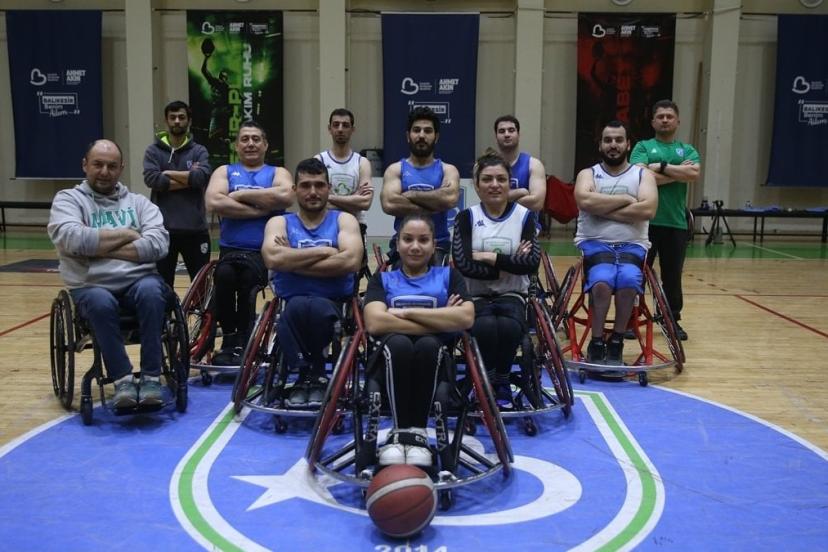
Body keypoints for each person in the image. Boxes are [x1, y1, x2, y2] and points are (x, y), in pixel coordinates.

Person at [48, 139, 170, 408]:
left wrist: (96, 249)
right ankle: (123, 380)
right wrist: (128, 234)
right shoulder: (68, 200)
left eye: (112, 166)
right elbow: (72, 239)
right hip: (90, 285)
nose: (105, 171)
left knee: (153, 292)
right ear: (85, 165)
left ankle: (151, 377)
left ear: (121, 169)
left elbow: (158, 245)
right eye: (98, 164)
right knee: (101, 302)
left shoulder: (139, 203)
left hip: (140, 281)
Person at [363, 214, 474, 466]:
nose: (415, 246)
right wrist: (441, 317)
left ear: (434, 245)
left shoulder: (450, 277)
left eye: (423, 240)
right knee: (399, 343)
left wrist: (404, 313)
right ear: (397, 243)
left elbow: (466, 318)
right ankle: (400, 431)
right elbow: (375, 323)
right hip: (388, 360)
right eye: (408, 239)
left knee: (427, 345)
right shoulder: (382, 279)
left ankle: (418, 432)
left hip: (437, 360)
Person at [262, 158, 363, 407]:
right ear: (295, 190)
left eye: (319, 185)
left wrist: (292, 260)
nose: (313, 192)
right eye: (306, 185)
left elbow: (350, 261)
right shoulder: (279, 222)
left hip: (333, 302)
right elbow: (272, 258)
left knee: (314, 307)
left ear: (329, 188)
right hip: (291, 302)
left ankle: (314, 373)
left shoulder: (344, 220)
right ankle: (306, 374)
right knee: (297, 307)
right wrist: (326, 252)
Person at [452, 153, 540, 408]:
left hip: (512, 294)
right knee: (485, 327)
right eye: (487, 179)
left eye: (501, 179)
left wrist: (489, 257)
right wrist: (508, 264)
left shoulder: (525, 216)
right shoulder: (465, 217)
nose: (494, 184)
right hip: (475, 295)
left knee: (510, 327)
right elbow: (464, 264)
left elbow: (531, 263)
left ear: (509, 183)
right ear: (477, 185)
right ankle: (487, 378)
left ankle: (500, 380)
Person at [205, 121, 294, 366]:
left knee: (248, 281)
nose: (250, 143)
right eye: (245, 139)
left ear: (265, 145)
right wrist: (261, 209)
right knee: (223, 277)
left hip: (262, 251)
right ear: (237, 145)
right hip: (230, 249)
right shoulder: (224, 171)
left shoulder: (278, 172)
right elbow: (214, 202)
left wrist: (240, 195)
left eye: (256, 139)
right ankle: (229, 339)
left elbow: (286, 196)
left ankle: (244, 339)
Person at [573, 121, 658, 365]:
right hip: (595, 243)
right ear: (600, 145)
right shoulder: (588, 174)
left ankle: (617, 342)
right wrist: (626, 198)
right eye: (608, 140)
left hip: (632, 244)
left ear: (628, 144)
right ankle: (597, 341)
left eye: (619, 140)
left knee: (629, 282)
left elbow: (648, 210)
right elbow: (584, 201)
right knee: (601, 283)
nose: (613, 145)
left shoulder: (643, 175)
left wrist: (601, 208)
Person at [630, 99, 701, 341]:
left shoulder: (687, 149)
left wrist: (659, 167)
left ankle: (672, 320)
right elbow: (639, 177)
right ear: (653, 122)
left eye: (669, 116)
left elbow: (694, 173)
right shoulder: (642, 146)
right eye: (660, 116)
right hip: (645, 222)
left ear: (678, 121)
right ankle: (631, 320)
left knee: (672, 276)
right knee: (637, 274)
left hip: (676, 224)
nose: (665, 120)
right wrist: (678, 173)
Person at [143, 100, 212, 288]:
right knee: (163, 286)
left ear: (189, 121)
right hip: (163, 231)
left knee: (201, 287)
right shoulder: (153, 151)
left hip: (195, 230)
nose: (177, 121)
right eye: (172, 117)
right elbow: (152, 180)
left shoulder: (199, 150)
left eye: (181, 117)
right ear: (166, 120)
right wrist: (189, 178)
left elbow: (202, 178)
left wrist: (167, 173)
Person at [380, 107, 460, 266]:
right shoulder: (395, 169)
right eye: (416, 130)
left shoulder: (448, 170)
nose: (422, 135)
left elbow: (449, 199)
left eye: (428, 131)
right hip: (404, 244)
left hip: (438, 245)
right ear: (408, 136)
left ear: (436, 137)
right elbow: (390, 204)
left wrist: (411, 194)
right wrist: (434, 205)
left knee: (438, 282)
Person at [315, 108, 374, 243]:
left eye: (345, 125)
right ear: (329, 129)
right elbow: (317, 200)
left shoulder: (362, 162)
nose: (340, 129)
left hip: (356, 225)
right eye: (336, 125)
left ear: (353, 130)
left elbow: (365, 203)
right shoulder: (319, 160)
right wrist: (353, 200)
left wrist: (329, 197)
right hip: (325, 224)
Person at [492, 115, 547, 213]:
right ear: (496, 136)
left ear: (518, 135)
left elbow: (537, 203)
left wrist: (501, 201)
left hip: (526, 223)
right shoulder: (485, 166)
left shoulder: (534, 164)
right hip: (494, 222)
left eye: (511, 130)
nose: (506, 134)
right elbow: (486, 199)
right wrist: (521, 192)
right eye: (502, 131)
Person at [201, 46, 231, 158]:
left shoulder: (227, 87)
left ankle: (225, 143)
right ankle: (224, 143)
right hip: (217, 110)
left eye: (225, 77)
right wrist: (206, 58)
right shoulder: (215, 82)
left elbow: (239, 96)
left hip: (223, 111)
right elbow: (204, 71)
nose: (223, 79)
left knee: (219, 134)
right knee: (213, 136)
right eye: (223, 76)